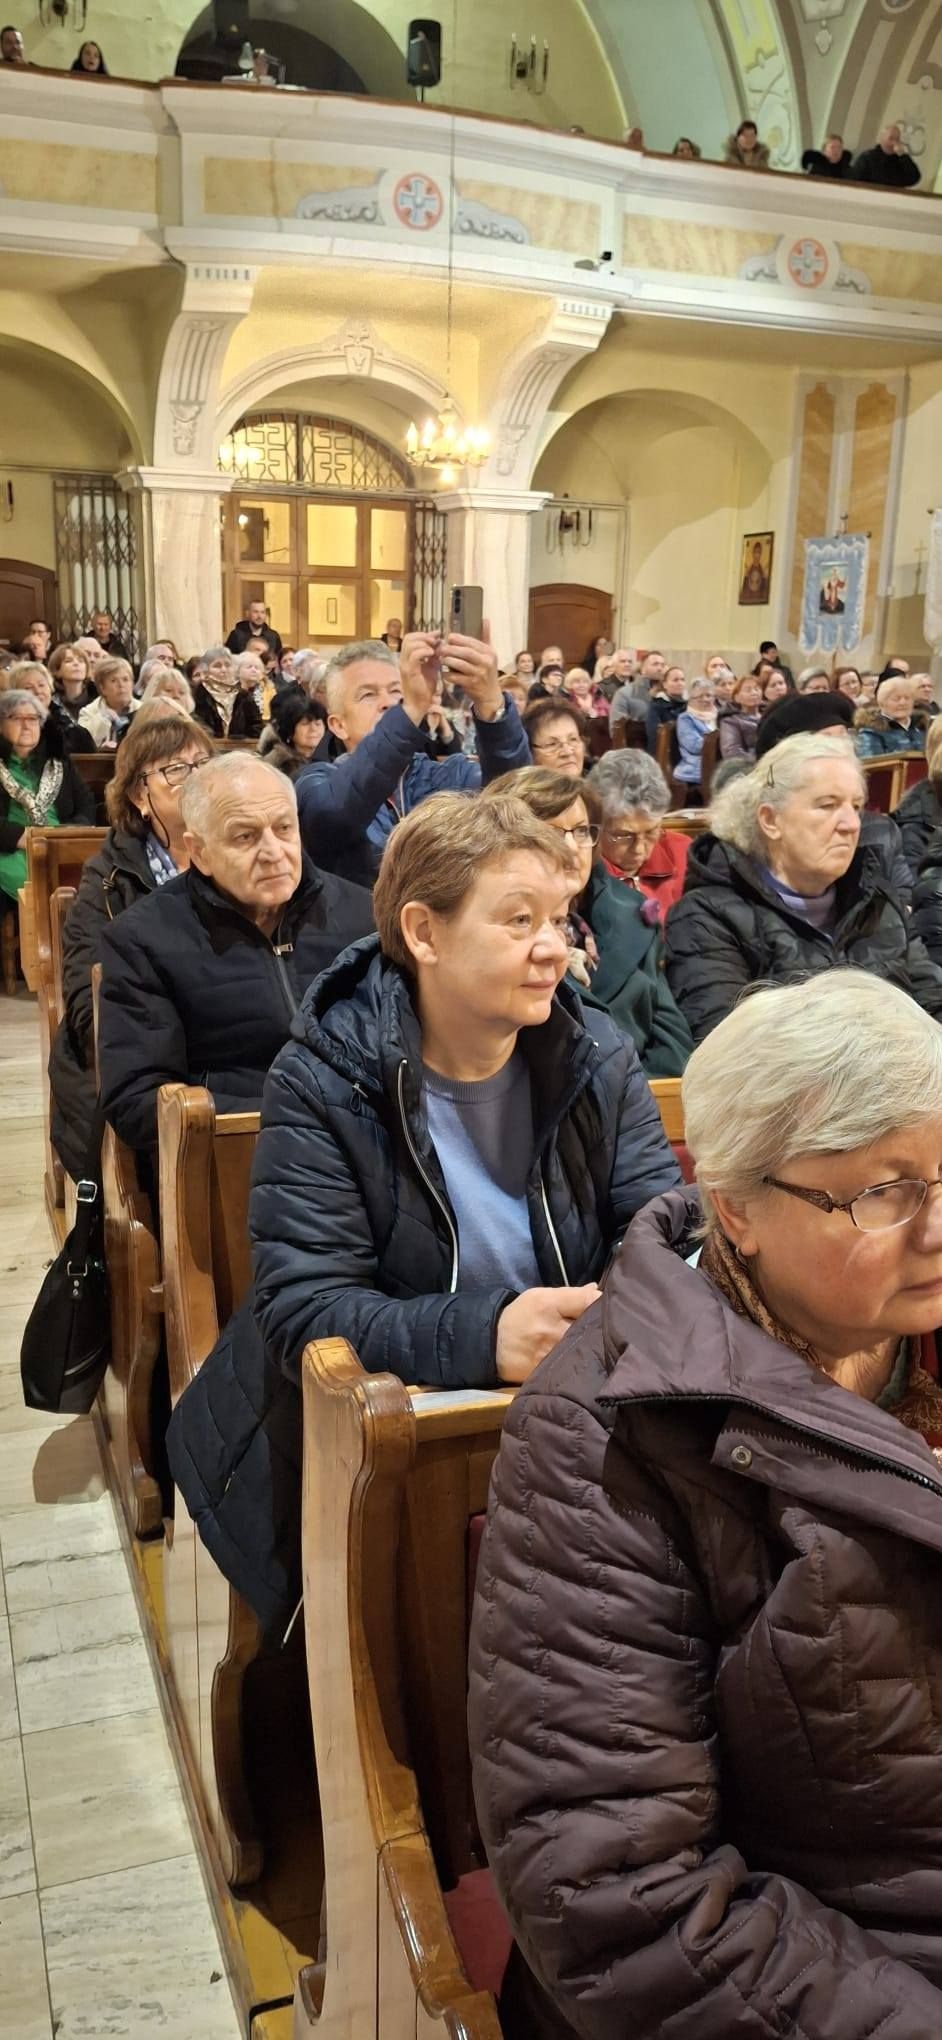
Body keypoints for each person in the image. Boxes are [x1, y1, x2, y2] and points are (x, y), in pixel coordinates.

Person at [469, 967, 942, 2040]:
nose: (934, 1227)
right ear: (735, 1208)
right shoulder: (600, 1436)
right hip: (854, 1960)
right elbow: (620, 1902)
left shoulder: (910, 1322)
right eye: (883, 1194)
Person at [167, 790, 680, 1638]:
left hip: (571, 1414)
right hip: (381, 1451)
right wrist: (487, 1334)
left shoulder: (598, 1051)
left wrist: (627, 1304)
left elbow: (658, 1224)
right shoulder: (324, 1076)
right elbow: (303, 1309)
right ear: (424, 933)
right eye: (519, 921)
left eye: (560, 919)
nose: (553, 947)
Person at [97, 753, 373, 1155]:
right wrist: (293, 1122)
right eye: (245, 837)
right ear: (199, 852)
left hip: (365, 1148)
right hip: (232, 1160)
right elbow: (137, 1099)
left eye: (284, 828)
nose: (273, 851)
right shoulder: (142, 940)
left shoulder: (364, 917)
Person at [665, 732, 942, 1043]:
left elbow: (933, 1007)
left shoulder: (879, 900)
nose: (851, 824)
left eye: (856, 806)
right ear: (771, 820)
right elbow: (731, 1050)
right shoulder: (706, 918)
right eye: (828, 805)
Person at [49, 715, 214, 1179]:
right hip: (153, 1063)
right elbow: (88, 1005)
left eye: (204, 763)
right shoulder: (107, 882)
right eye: (176, 769)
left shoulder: (236, 861)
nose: (196, 778)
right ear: (140, 796)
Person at [487, 768, 692, 1076]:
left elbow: (673, 1046)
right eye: (552, 832)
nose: (572, 847)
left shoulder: (634, 913)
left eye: (582, 831)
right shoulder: (494, 931)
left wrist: (633, 1095)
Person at [295, 631, 530, 889]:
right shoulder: (316, 782)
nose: (388, 703)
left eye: (396, 691)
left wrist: (491, 702)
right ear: (339, 725)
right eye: (368, 695)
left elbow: (517, 802)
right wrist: (409, 710)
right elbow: (335, 815)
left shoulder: (449, 775)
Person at [0, 691, 95, 906]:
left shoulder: (59, 763)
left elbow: (86, 804)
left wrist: (71, 832)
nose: (26, 725)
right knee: (30, 883)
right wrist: (19, 836)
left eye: (33, 718)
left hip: (61, 847)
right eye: (16, 718)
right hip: (11, 848)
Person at [589, 748, 690, 915]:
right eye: (624, 835)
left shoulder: (683, 854)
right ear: (595, 825)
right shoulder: (583, 869)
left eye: (651, 832)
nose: (639, 849)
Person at [191, 646, 261, 739]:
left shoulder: (243, 696)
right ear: (206, 670)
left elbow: (256, 727)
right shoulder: (197, 695)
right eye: (217, 666)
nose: (224, 670)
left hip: (240, 746)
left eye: (228, 665)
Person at [855, 673, 927, 757]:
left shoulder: (923, 727)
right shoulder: (871, 732)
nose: (902, 703)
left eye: (907, 698)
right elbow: (871, 762)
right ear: (882, 702)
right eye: (896, 699)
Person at [264, 688, 330, 775]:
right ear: (289, 730)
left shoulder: (332, 759)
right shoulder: (276, 765)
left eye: (318, 724)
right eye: (305, 724)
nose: (313, 729)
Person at [77, 656, 137, 748]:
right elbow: (82, 745)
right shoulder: (88, 713)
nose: (121, 685)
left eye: (125, 680)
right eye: (113, 681)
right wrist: (103, 720)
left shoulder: (145, 710)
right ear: (102, 687)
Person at [673, 676, 717, 799]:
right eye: (700, 696)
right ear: (690, 699)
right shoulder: (685, 718)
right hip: (696, 768)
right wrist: (719, 742)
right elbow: (694, 746)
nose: (705, 699)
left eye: (709, 695)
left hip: (718, 764)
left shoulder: (719, 716)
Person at [522, 698, 586, 779]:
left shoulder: (597, 782)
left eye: (573, 739)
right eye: (552, 744)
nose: (567, 752)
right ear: (530, 753)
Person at [851, 122, 921, 189]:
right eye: (891, 138)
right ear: (881, 139)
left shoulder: (901, 160)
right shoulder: (868, 158)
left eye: (897, 139)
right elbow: (854, 181)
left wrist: (903, 156)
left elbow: (914, 178)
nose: (894, 143)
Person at [609, 651, 665, 733]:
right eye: (655, 664)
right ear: (643, 669)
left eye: (662, 665)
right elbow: (616, 730)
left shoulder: (668, 694)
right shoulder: (624, 694)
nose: (660, 668)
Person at [718, 672, 763, 758]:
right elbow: (731, 752)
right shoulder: (730, 722)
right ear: (737, 698)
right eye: (748, 690)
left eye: (757, 689)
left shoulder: (769, 715)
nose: (754, 693)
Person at [48, 643, 96, 722]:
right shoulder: (49, 701)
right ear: (57, 670)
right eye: (68, 661)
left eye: (81, 661)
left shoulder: (98, 698)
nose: (76, 664)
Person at [644, 663, 686, 753]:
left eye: (682, 680)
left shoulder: (688, 705)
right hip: (664, 752)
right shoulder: (656, 706)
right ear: (665, 684)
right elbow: (654, 734)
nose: (680, 683)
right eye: (675, 680)